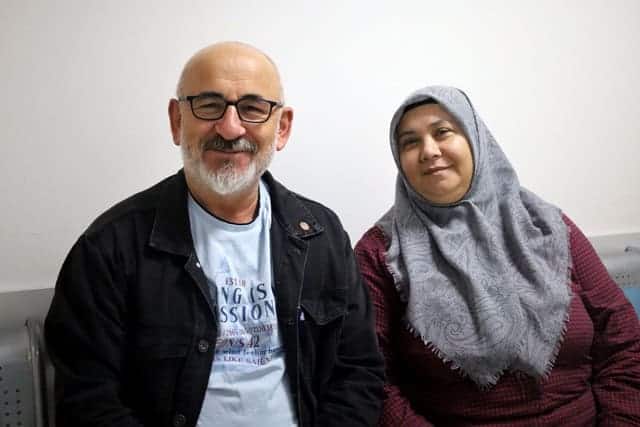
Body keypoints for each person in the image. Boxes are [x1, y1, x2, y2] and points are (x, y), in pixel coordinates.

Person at [45, 41, 384, 427]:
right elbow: (86, 402)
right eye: (208, 105)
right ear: (177, 120)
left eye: (253, 108)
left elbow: (358, 372)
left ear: (282, 127)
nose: (230, 127)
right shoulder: (109, 248)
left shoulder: (322, 236)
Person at [355, 85, 640, 426]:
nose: (429, 151)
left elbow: (623, 339)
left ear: (476, 139)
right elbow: (371, 380)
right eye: (410, 142)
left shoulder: (548, 226)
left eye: (442, 132)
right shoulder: (380, 253)